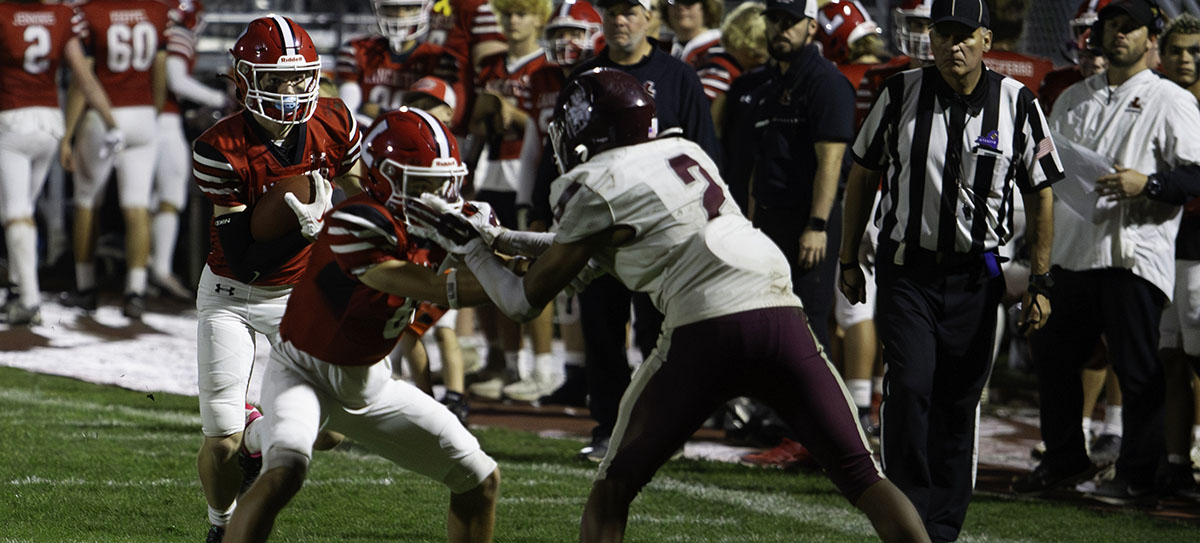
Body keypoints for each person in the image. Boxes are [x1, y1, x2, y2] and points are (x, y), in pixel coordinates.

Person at [408, 66, 930, 543]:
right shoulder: (687, 153)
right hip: (780, 313)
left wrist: (474, 247)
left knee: (612, 491)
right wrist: (498, 238)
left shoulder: (591, 184)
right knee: (865, 478)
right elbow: (597, 243)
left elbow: (524, 301)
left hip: (705, 329)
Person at [224, 107, 500, 543]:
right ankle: (257, 446)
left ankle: (257, 433)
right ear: (384, 178)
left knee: (480, 478)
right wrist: (499, 268)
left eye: (445, 182)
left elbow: (507, 284)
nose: (439, 195)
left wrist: (522, 253)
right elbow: (441, 287)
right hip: (303, 372)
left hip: (370, 382)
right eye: (423, 183)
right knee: (285, 472)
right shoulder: (358, 221)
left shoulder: (435, 225)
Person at [840, 0, 1061, 539]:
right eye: (943, 34)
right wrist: (848, 256)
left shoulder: (1017, 103)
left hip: (977, 273)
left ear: (987, 40)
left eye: (964, 36)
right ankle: (909, 513)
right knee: (911, 386)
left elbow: (1042, 194)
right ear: (930, 38)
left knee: (959, 401)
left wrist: (1040, 279)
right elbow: (862, 176)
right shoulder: (898, 92)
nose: (952, 46)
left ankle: (943, 526)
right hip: (907, 269)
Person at [1015, 0, 1200, 506]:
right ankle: (1064, 460)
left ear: (1150, 38)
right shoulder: (1072, 96)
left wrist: (1151, 182)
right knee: (1052, 361)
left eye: (1129, 27)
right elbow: (1045, 169)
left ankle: (1140, 475)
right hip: (1073, 251)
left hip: (1132, 253)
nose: (1118, 34)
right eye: (1111, 26)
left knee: (1137, 369)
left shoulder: (1171, 99)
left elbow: (1196, 172)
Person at [190, 15, 362, 542]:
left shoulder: (335, 122)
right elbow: (244, 258)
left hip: (299, 294)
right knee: (220, 437)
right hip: (233, 296)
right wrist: (307, 229)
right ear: (244, 81)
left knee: (333, 428)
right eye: (277, 79)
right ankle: (222, 527)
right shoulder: (219, 148)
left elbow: (357, 191)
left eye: (299, 77)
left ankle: (257, 438)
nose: (291, 90)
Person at [559, 0, 720, 461]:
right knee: (602, 328)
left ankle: (658, 426)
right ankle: (609, 425)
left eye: (630, 10)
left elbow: (705, 153)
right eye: (611, 10)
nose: (620, 19)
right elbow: (561, 149)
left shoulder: (678, 76)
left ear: (650, 15)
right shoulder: (583, 76)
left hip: (660, 229)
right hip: (598, 225)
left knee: (659, 332)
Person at [731, 0, 853, 353]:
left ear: (812, 26)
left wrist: (817, 226)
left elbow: (831, 161)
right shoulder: (767, 81)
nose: (782, 29)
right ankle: (771, 406)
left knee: (807, 321)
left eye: (791, 22)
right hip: (769, 217)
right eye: (775, 20)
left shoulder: (826, 82)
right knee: (766, 316)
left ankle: (824, 408)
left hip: (807, 219)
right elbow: (760, 160)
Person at [0, 0, 120, 325]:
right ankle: (15, 288)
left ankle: (28, 298)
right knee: (22, 208)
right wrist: (111, 123)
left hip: (11, 118)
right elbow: (84, 76)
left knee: (16, 213)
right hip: (50, 122)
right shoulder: (61, 15)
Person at [467, 0, 560, 403]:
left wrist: (512, 115)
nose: (513, 21)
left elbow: (545, 126)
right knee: (488, 269)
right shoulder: (491, 67)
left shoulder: (547, 69)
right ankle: (503, 361)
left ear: (539, 18)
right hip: (490, 174)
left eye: (521, 13)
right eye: (507, 14)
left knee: (531, 271)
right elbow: (474, 124)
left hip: (527, 178)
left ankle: (542, 366)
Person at [61, 0, 170, 318]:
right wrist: (154, 111)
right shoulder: (157, 11)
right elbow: (160, 70)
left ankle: (85, 287)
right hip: (144, 113)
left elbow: (84, 79)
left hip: (104, 114)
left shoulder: (90, 12)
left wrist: (68, 133)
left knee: (86, 202)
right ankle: (134, 291)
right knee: (137, 206)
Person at [152, 0, 229, 300]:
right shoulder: (177, 34)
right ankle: (159, 268)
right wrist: (218, 99)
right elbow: (176, 80)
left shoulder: (148, 28)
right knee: (169, 198)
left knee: (144, 202)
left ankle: (143, 270)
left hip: (134, 115)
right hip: (163, 122)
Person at [1158, 11, 1200, 499]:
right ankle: (1173, 463)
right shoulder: (1161, 99)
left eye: (1194, 50)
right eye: (1176, 50)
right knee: (1169, 356)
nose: (1185, 59)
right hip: (1164, 243)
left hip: (1196, 245)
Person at [336, 0, 465, 127]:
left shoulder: (437, 57)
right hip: (365, 131)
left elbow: (443, 115)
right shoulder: (358, 50)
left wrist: (382, 113)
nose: (400, 15)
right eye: (392, 8)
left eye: (408, 8)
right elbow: (348, 108)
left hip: (416, 134)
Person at [660, 0, 722, 67]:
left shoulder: (721, 49)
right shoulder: (665, 52)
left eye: (689, 1)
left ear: (706, 6)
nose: (680, 6)